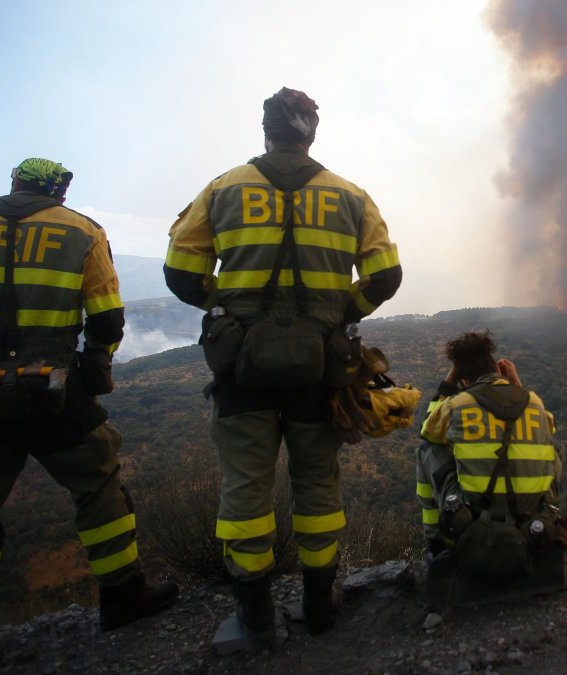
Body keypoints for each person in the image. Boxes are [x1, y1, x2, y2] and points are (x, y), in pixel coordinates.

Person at [0, 158, 178, 673]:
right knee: (97, 481)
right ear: (61, 192)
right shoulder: (81, 231)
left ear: (14, 183)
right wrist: (96, 364)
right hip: (51, 390)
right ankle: (122, 594)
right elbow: (109, 316)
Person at [164, 88, 402, 644]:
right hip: (321, 371)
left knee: (246, 486)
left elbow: (180, 273)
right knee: (317, 481)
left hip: (242, 371)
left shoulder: (223, 189)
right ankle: (321, 605)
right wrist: (341, 311)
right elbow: (386, 277)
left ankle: (255, 617)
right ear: (310, 134)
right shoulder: (351, 196)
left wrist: (222, 309)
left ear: (266, 130)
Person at [417, 331, 567, 586]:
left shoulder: (457, 403)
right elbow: (549, 427)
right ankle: (549, 511)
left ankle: (435, 544)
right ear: (498, 369)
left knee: (427, 450)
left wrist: (449, 381)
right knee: (552, 446)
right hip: (530, 517)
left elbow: (427, 431)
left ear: (464, 379)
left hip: (477, 518)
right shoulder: (533, 401)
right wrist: (518, 385)